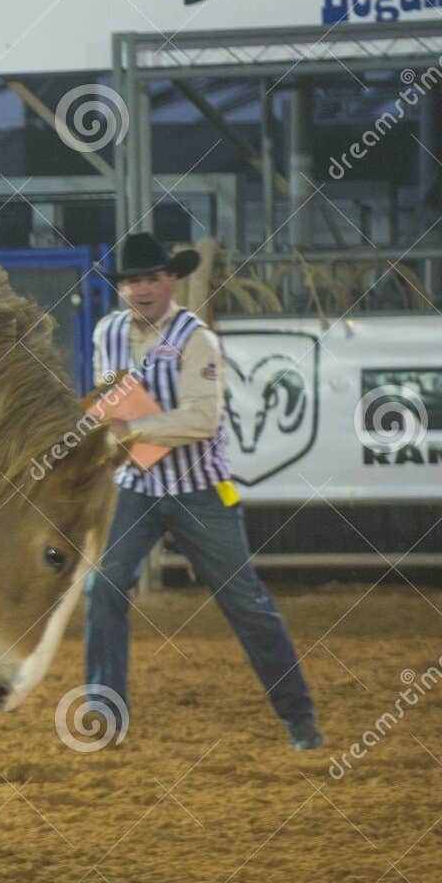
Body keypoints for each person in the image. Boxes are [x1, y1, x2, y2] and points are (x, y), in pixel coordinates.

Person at [83, 233, 322, 751]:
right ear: (121, 288)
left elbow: (203, 419)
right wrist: (110, 430)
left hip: (203, 492)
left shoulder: (197, 339)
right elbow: (111, 399)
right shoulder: (108, 333)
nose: (142, 289)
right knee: (103, 588)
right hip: (137, 487)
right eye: (132, 281)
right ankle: (104, 712)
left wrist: (131, 431)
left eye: (152, 278)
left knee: (246, 603)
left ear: (171, 281)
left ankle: (299, 717)